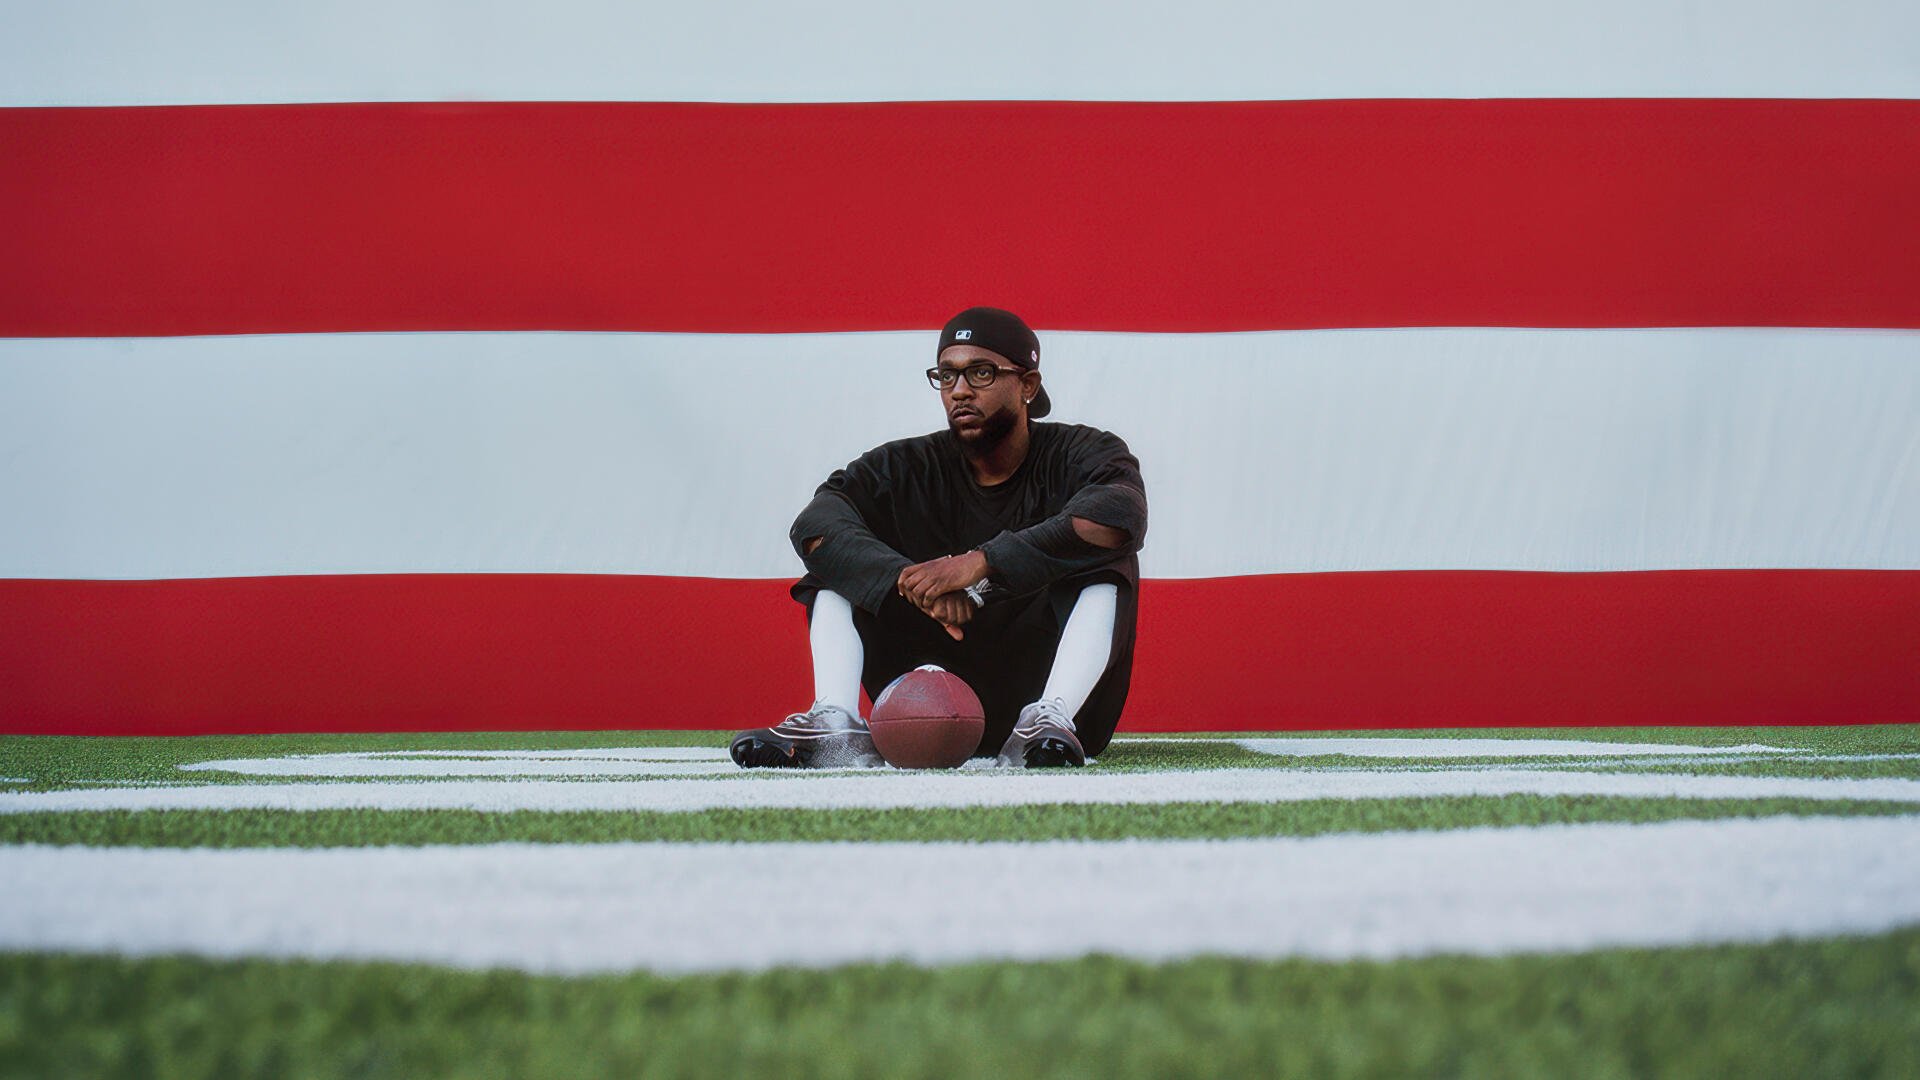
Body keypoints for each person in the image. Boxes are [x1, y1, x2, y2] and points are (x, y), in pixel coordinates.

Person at [729, 306, 1147, 769]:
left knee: (1102, 554)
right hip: (923, 685)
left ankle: (1052, 715)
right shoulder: (906, 466)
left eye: (981, 373)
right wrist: (910, 582)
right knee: (836, 559)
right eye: (947, 376)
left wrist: (981, 563)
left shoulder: (1083, 452)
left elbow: (1117, 517)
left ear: (1027, 385)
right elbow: (814, 527)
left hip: (1039, 685)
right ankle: (835, 720)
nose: (961, 391)